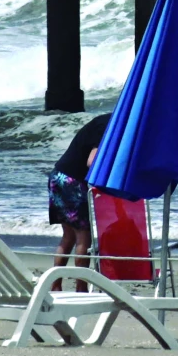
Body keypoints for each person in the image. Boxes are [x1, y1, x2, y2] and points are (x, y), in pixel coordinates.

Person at [47, 113, 111, 291]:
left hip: (58, 176)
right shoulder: (106, 125)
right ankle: (81, 287)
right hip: (71, 181)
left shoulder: (103, 120)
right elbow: (92, 161)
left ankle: (55, 285)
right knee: (84, 236)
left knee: (68, 236)